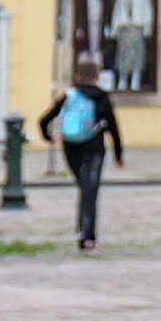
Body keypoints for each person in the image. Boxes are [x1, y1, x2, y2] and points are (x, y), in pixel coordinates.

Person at [51, 53, 124, 247]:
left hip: (71, 147)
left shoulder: (69, 95)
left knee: (85, 189)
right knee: (90, 191)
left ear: (77, 76)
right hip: (94, 148)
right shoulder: (101, 97)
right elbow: (113, 127)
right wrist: (118, 154)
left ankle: (83, 230)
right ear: (98, 76)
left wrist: (48, 135)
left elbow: (45, 118)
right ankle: (88, 236)